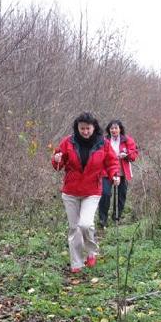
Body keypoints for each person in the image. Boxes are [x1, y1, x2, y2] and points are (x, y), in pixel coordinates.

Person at [52, 112, 120, 273]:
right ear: (77, 127)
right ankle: (76, 263)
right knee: (74, 228)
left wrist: (115, 175)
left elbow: (111, 162)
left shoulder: (102, 143)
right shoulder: (68, 142)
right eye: (81, 128)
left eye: (87, 128)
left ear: (93, 127)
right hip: (71, 191)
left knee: (86, 224)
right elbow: (57, 164)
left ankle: (91, 251)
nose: (85, 131)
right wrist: (56, 159)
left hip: (92, 190)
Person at [98, 119, 139, 228]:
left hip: (122, 171)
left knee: (121, 195)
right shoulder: (104, 140)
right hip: (107, 171)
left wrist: (126, 154)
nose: (114, 130)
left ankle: (116, 217)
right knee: (105, 193)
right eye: (111, 128)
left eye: (116, 128)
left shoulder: (127, 140)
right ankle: (103, 219)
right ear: (109, 130)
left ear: (120, 129)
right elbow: (99, 153)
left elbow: (134, 154)